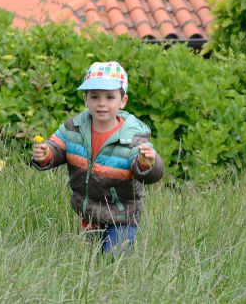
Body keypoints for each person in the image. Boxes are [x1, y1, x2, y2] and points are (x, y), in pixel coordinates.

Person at [32, 61, 164, 256]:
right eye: (95, 96)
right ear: (85, 99)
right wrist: (45, 154)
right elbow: (57, 146)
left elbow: (152, 172)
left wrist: (146, 163)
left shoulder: (133, 137)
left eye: (110, 97)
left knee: (114, 259)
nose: (101, 103)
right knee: (88, 260)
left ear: (123, 101)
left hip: (122, 216)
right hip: (89, 213)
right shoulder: (73, 129)